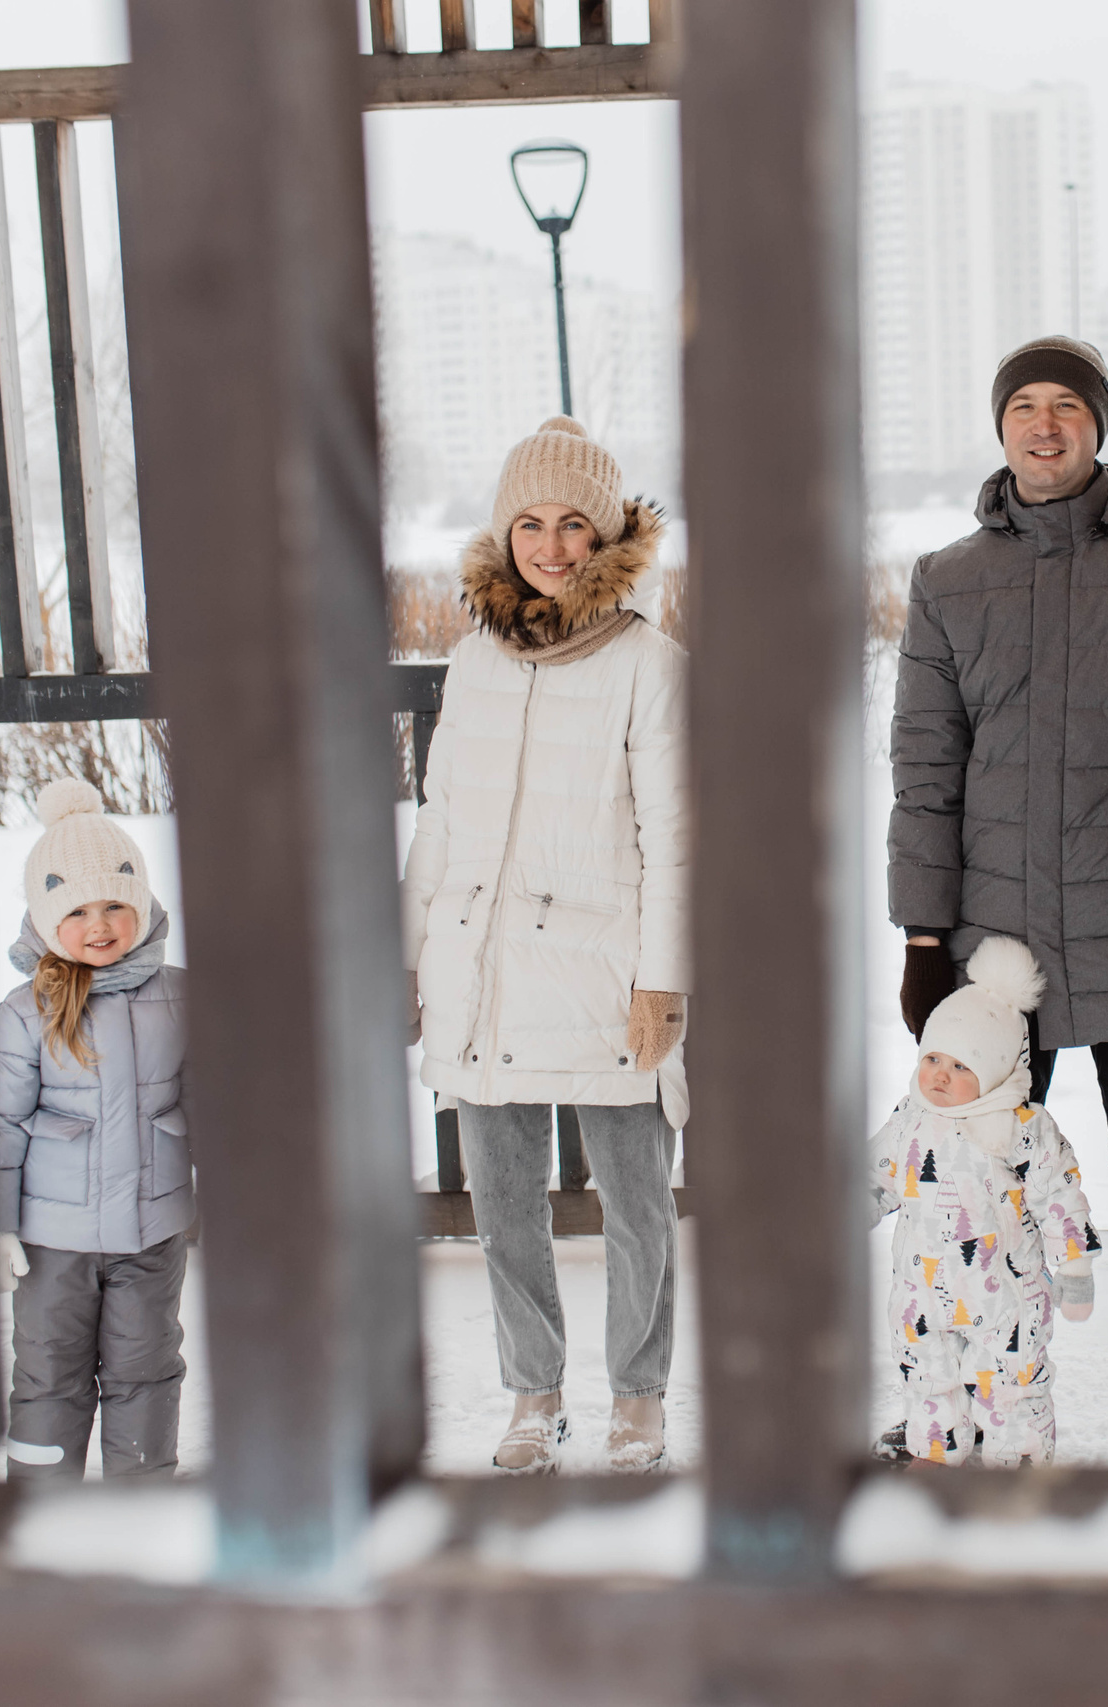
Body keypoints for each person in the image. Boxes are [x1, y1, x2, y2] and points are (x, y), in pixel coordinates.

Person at [887, 334, 1108, 1460]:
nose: (1045, 424)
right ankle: (953, 1381)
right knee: (964, 1160)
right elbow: (926, 767)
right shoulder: (948, 581)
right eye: (1023, 404)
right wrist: (925, 934)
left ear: (1099, 426)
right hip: (995, 944)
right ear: (1001, 426)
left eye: (1068, 404)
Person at [403, 416, 689, 1476]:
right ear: (504, 532)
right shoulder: (473, 660)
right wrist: (406, 950)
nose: (553, 545)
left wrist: (664, 978)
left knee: (636, 1205)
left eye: (574, 524)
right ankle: (533, 1394)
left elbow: (676, 839)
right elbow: (438, 818)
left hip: (605, 975)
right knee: (504, 1206)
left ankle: (638, 1398)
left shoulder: (649, 664)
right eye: (531, 522)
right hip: (481, 973)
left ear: (608, 534)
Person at [0, 778, 193, 1481]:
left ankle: (141, 1500)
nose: (99, 923)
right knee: (48, 1378)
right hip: (51, 1247)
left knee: (146, 1373)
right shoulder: (25, 1013)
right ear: (45, 919)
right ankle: (43, 1512)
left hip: (151, 1235)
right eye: (76, 908)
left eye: (115, 904)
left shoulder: (180, 997)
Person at [871, 937, 1097, 1466]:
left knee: (1012, 1390)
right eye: (933, 1058)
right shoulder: (911, 1118)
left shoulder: (1022, 1128)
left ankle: (1014, 1471)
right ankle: (935, 1460)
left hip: (1007, 1300)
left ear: (995, 1070)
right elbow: (874, 1175)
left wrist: (1076, 1264)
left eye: (962, 1066)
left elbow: (1059, 1194)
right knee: (929, 1381)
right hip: (921, 1293)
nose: (940, 1076)